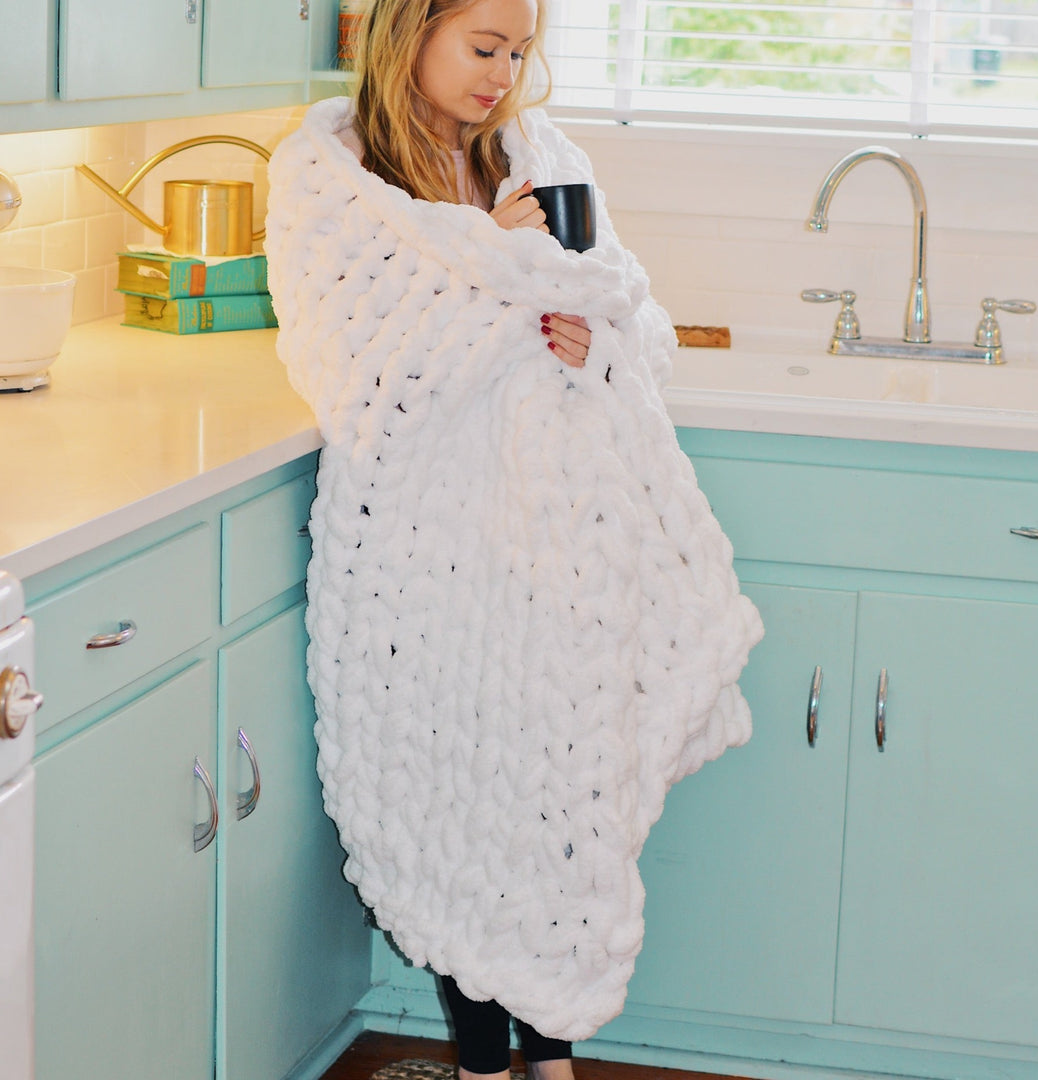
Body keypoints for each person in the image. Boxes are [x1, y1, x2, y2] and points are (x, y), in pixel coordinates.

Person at [265, 1, 762, 1079]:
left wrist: (591, 337)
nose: (503, 75)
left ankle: (555, 1057)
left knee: (560, 803)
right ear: (410, 30)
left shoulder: (543, 156)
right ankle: (490, 1067)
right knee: (460, 801)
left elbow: (636, 317)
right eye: (484, 47)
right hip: (426, 554)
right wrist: (497, 273)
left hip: (558, 544)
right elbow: (357, 374)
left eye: (520, 52)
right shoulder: (332, 177)